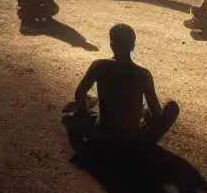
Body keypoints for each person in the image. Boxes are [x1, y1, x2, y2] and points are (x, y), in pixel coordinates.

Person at [64, 23, 180, 159]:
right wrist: (139, 113)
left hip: (104, 135)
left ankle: (96, 140)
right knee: (171, 106)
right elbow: (156, 114)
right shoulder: (143, 74)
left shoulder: (100, 65)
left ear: (111, 44)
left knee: (70, 114)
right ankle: (144, 145)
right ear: (133, 46)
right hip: (132, 139)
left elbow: (80, 93)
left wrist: (85, 114)